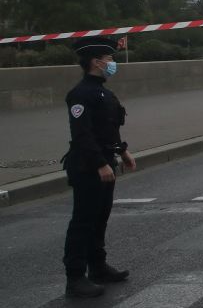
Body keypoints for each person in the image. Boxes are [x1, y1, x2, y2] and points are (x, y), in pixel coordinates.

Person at [61, 37, 136, 298]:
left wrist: (122, 151)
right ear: (96, 62)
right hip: (87, 166)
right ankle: (75, 277)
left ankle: (98, 267)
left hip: (105, 161)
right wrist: (101, 164)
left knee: (99, 218)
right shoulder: (81, 94)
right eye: (109, 59)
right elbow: (82, 134)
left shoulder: (104, 91)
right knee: (83, 221)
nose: (112, 63)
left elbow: (108, 128)